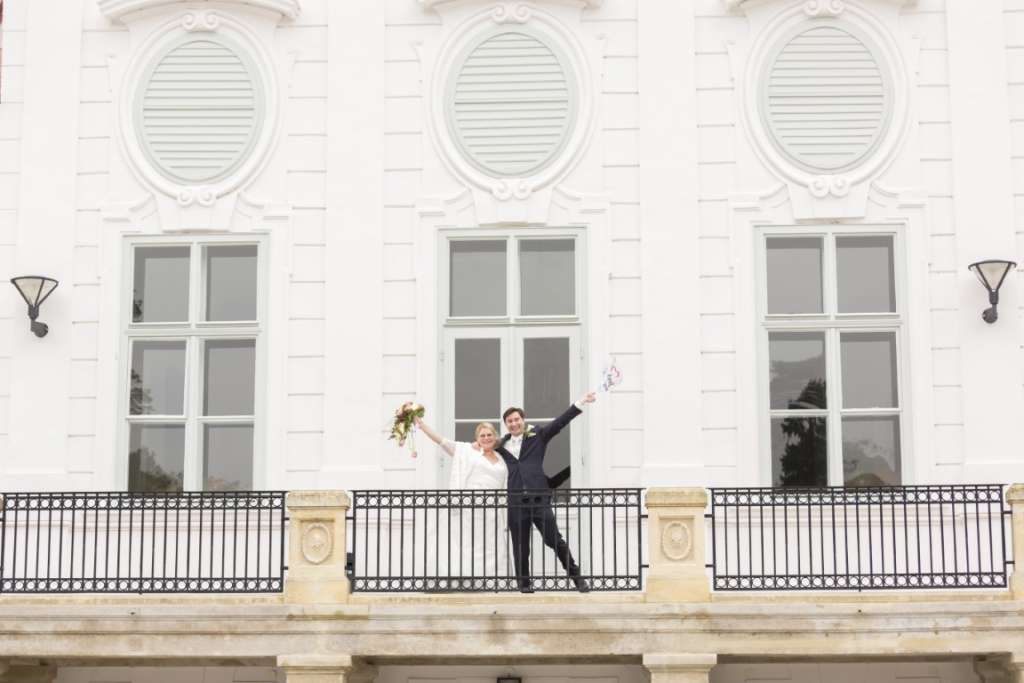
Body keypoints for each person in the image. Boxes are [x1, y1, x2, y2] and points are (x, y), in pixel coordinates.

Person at [497, 392, 596, 593]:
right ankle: (524, 585)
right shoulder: (501, 446)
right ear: (506, 424)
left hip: (539, 499)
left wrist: (580, 403)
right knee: (520, 546)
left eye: (516, 419)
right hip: (516, 502)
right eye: (510, 421)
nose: (514, 423)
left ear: (523, 420)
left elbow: (559, 423)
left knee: (554, 540)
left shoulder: (538, 436)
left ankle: (577, 578)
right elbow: (481, 447)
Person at [416, 416, 508, 585]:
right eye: (482, 436)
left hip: (493, 509)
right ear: (477, 439)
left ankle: (492, 580)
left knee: (491, 544)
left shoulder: (502, 457)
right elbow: (442, 441)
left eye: (489, 435)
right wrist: (422, 425)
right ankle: (471, 580)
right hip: (470, 506)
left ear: (495, 437)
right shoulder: (467, 451)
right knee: (470, 543)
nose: (486, 438)